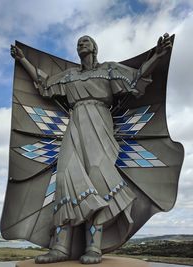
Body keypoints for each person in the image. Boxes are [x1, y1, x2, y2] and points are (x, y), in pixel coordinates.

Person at [11, 34, 171, 264]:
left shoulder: (108, 70)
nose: (81, 44)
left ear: (95, 47)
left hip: (100, 124)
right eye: (78, 42)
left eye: (86, 41)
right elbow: (45, 85)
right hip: (75, 124)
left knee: (97, 179)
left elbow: (136, 79)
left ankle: (94, 248)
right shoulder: (69, 76)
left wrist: (157, 55)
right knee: (66, 178)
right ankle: (60, 248)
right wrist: (23, 59)